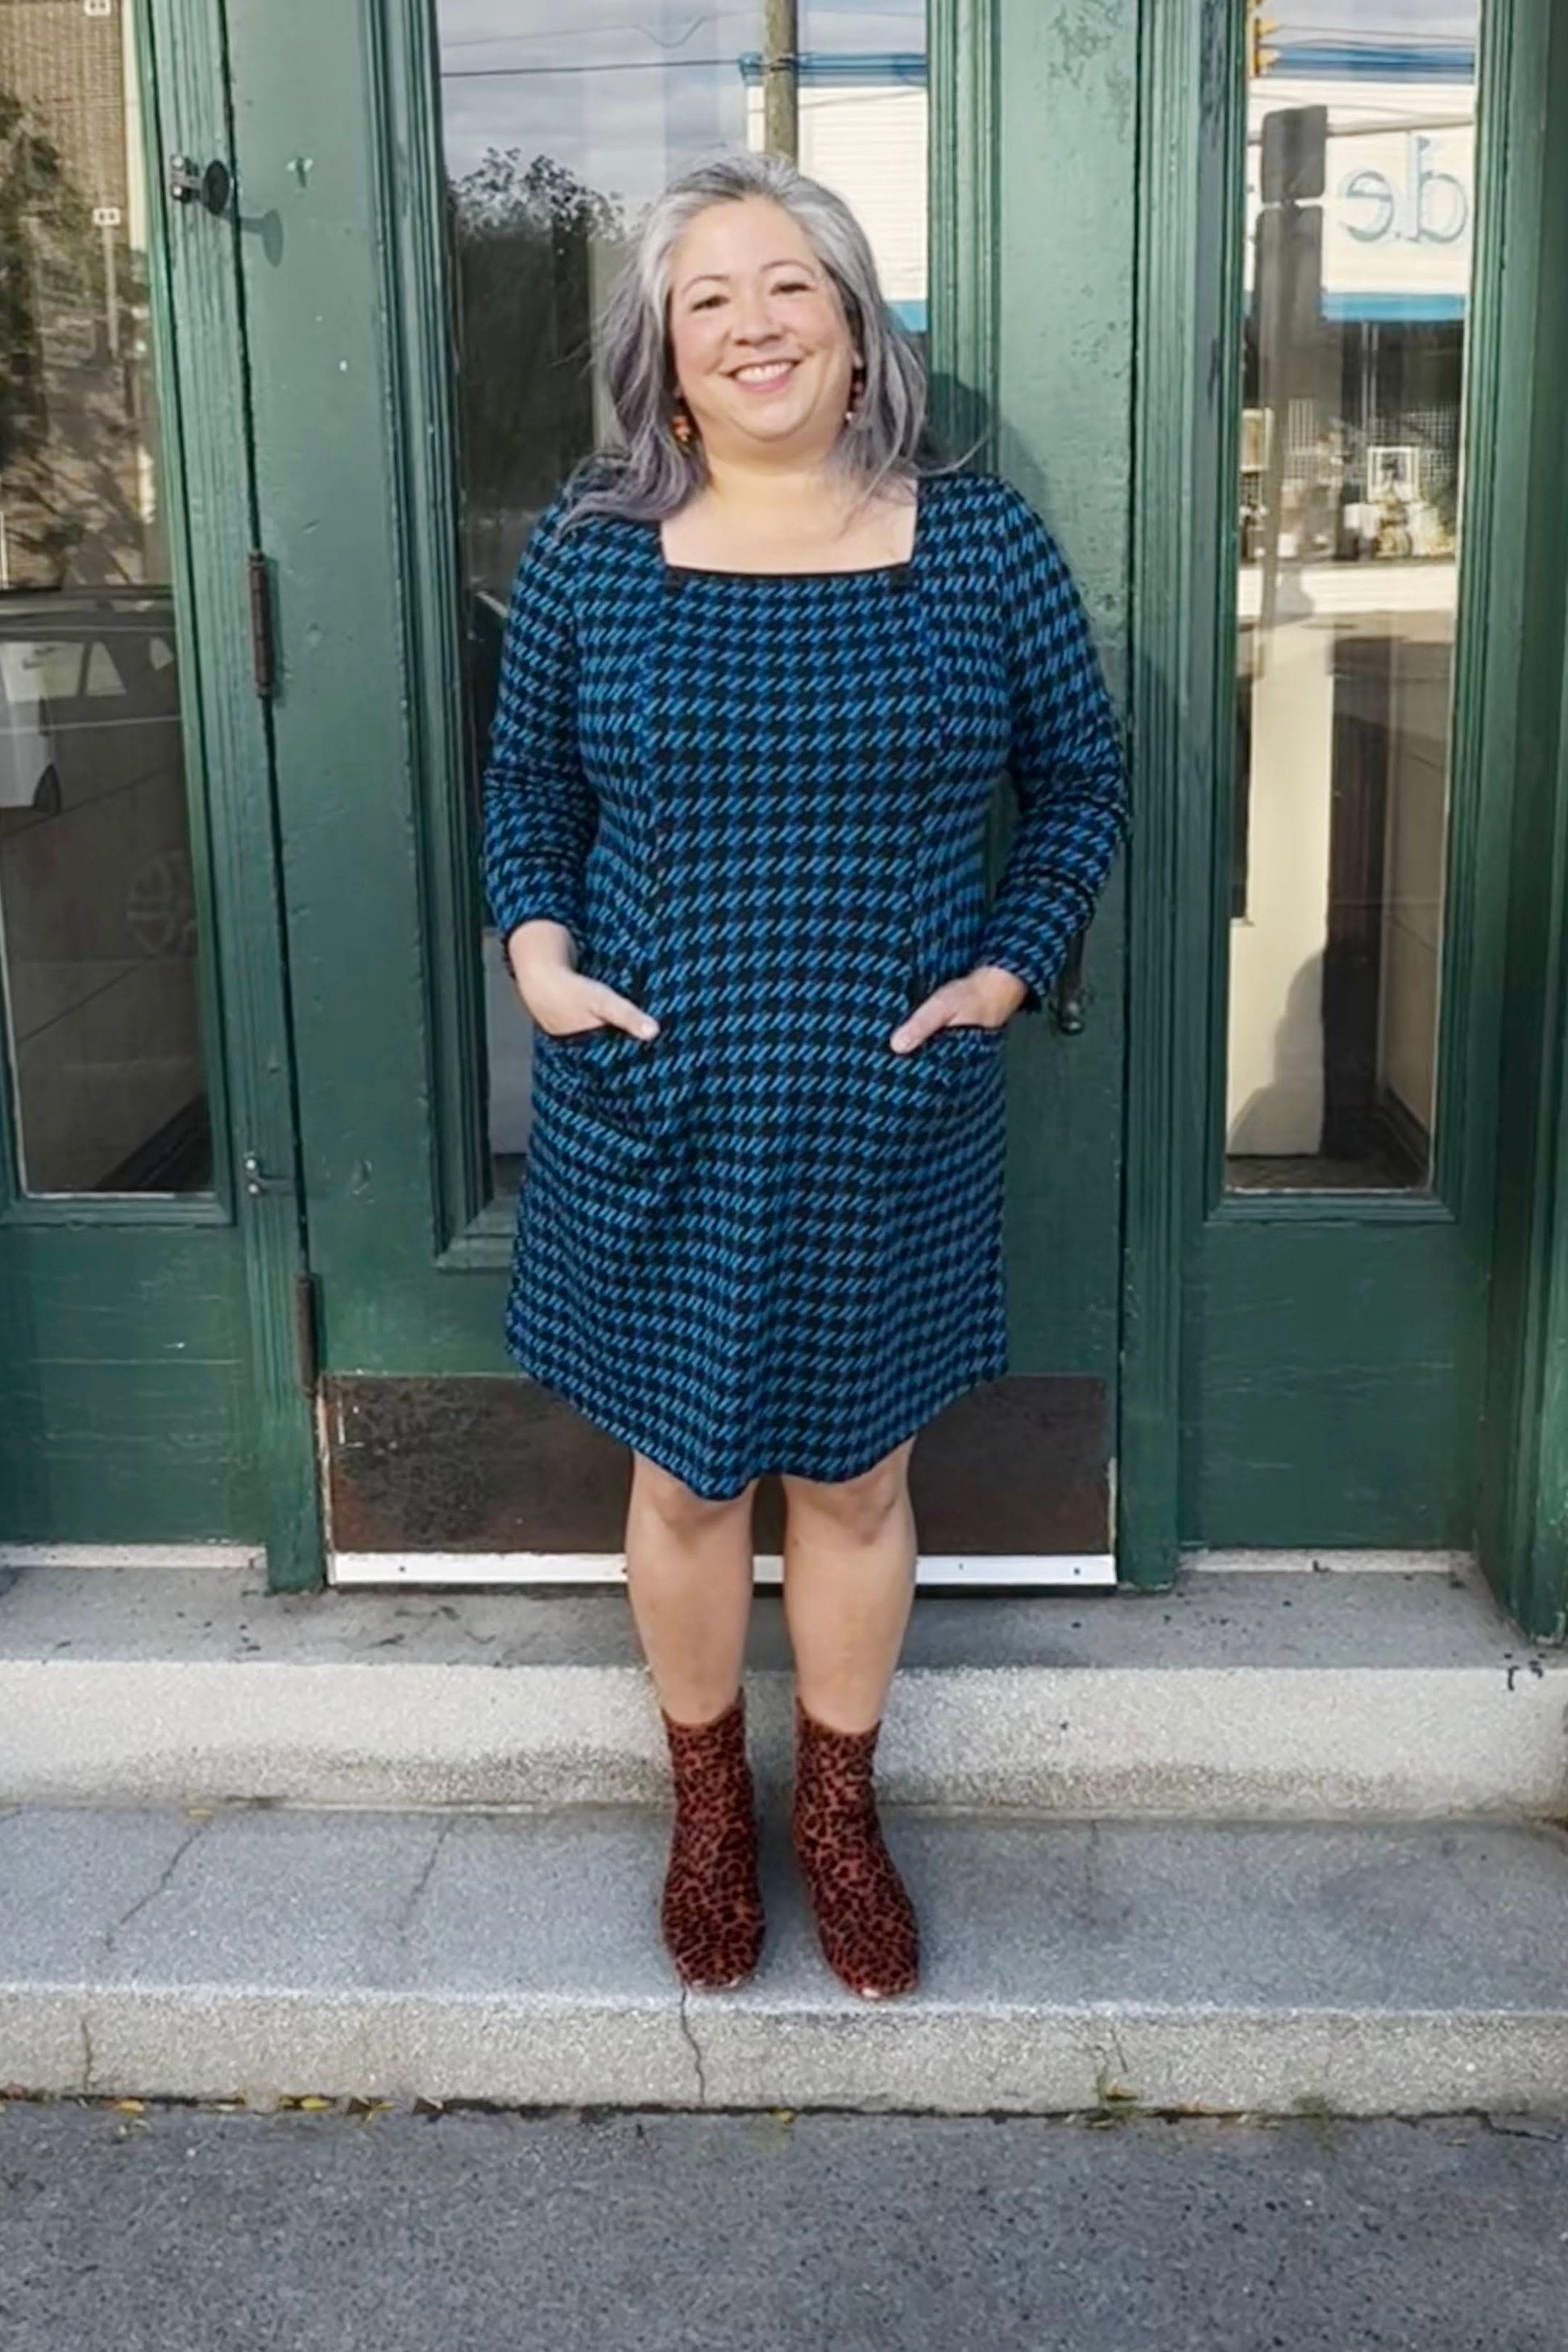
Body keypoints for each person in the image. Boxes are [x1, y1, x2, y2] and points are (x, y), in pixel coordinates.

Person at [481, 151, 1127, 2004]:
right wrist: (542, 958)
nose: (753, 324)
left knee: (851, 1480)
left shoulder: (978, 541)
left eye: (792, 288)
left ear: (857, 334)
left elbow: (1080, 777)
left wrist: (1006, 968)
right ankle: (706, 1808)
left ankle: (835, 1810)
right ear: (665, 361)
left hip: (886, 1107)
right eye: (710, 299)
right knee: (684, 1480)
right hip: (654, 1097)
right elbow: (529, 790)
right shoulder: (592, 546)